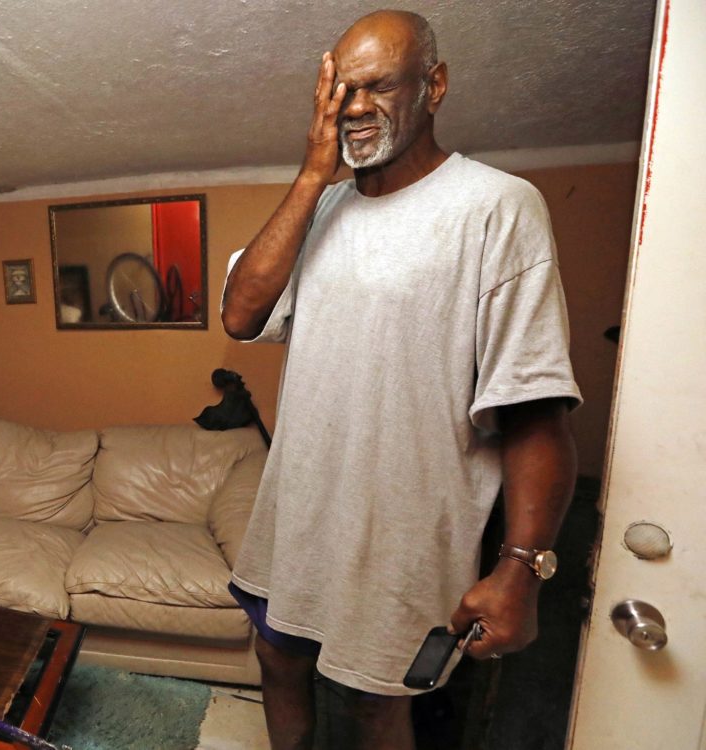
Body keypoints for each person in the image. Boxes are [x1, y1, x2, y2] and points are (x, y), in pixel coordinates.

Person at [221, 10, 581, 749]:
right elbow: (239, 312)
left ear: (435, 84)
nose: (353, 107)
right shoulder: (318, 208)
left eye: (377, 85)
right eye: (339, 91)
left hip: (404, 536)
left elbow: (536, 409)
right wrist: (314, 173)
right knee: (276, 660)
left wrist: (522, 567)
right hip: (298, 516)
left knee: (374, 705)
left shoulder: (496, 206)